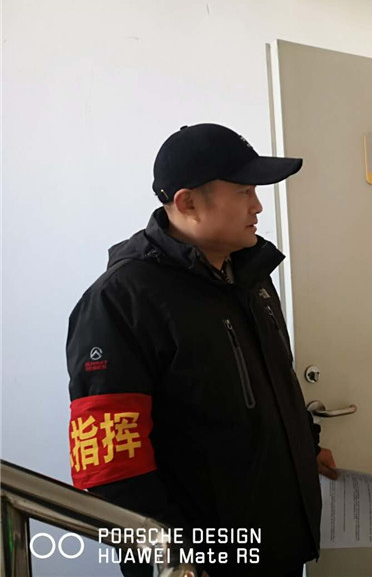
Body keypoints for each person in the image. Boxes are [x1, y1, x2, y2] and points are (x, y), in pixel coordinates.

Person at [67, 123, 338, 577]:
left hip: (277, 542)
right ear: (187, 202)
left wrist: (306, 446)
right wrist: (175, 560)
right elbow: (111, 465)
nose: (257, 206)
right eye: (244, 191)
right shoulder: (122, 300)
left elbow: (275, 379)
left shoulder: (248, 275)